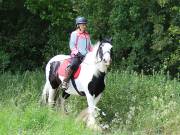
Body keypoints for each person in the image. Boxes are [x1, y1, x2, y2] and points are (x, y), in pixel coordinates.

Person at [62, 16, 93, 90]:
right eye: (83, 25)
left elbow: (90, 46)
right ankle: (65, 81)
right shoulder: (74, 33)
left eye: (85, 24)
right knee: (73, 64)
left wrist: (93, 52)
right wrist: (77, 53)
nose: (84, 26)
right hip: (77, 55)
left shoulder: (87, 35)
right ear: (78, 25)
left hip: (86, 55)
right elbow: (72, 45)